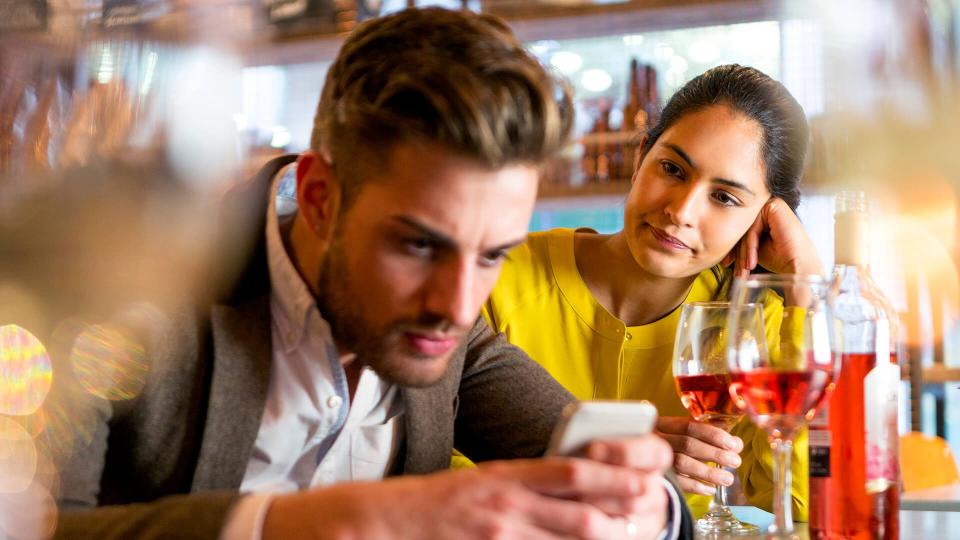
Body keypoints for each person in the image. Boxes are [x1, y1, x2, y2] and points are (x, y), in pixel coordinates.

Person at [47, 8, 694, 540]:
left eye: (493, 254)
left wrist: (644, 504)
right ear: (322, 198)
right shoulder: (129, 295)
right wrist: (337, 520)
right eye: (418, 245)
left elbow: (657, 505)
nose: (460, 303)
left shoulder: (448, 333)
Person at [482, 64, 821, 519]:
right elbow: (435, 466)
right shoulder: (500, 275)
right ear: (641, 156)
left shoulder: (753, 324)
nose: (680, 210)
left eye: (724, 198)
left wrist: (804, 284)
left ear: (762, 220)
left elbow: (805, 500)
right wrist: (610, 466)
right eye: (672, 169)